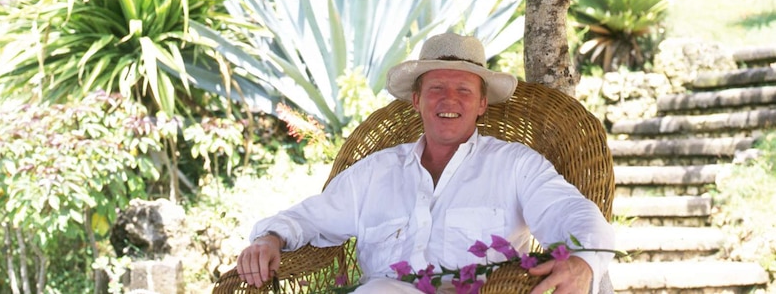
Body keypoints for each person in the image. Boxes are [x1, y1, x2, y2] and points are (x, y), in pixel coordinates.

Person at [237, 32, 615, 293]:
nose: (449, 100)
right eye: (436, 89)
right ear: (416, 100)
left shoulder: (516, 166)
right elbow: (309, 218)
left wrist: (584, 261)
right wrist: (270, 239)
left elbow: (574, 214)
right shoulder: (375, 172)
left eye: (463, 90)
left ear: (482, 104)